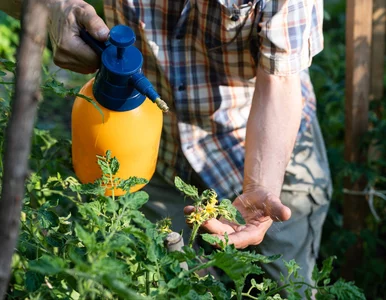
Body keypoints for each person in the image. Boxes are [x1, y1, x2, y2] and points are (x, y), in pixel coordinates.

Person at [2, 0, 332, 289]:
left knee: (289, 284)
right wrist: (53, 8)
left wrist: (261, 184)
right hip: (150, 155)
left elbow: (279, 80)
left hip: (263, 147)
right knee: (176, 281)